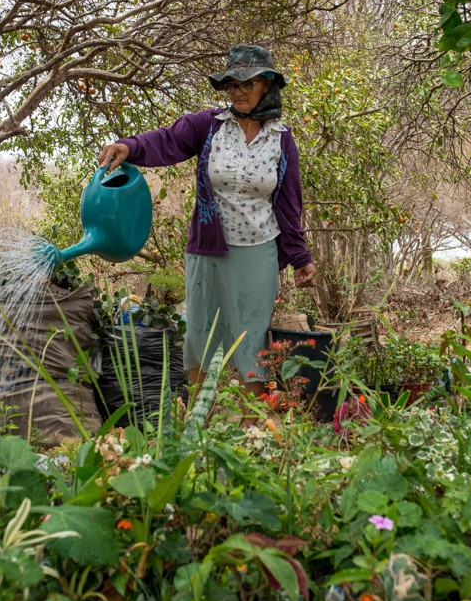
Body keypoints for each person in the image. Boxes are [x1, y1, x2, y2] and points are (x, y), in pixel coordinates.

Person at [98, 44, 316, 397]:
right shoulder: (208, 126)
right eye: (232, 84)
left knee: (253, 338)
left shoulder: (282, 139)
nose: (238, 91)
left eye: (247, 83)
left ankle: (254, 428)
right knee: (201, 334)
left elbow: (290, 205)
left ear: (267, 86)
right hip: (208, 250)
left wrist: (300, 257)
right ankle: (200, 424)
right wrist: (130, 147)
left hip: (258, 250)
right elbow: (166, 141)